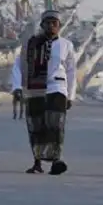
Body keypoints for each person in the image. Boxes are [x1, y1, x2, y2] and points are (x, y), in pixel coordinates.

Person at [18, 10, 77, 175]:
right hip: (35, 90)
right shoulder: (30, 44)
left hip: (58, 88)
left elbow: (72, 71)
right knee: (36, 126)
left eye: (55, 23)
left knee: (56, 126)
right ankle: (37, 162)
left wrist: (71, 96)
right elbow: (22, 66)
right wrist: (20, 88)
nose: (51, 26)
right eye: (48, 23)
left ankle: (56, 160)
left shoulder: (66, 45)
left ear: (59, 26)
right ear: (42, 25)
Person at [10, 52, 24, 120]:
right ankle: (21, 115)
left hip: (16, 88)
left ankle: (15, 115)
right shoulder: (23, 67)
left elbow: (13, 77)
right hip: (21, 88)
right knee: (22, 103)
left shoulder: (15, 67)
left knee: (15, 102)